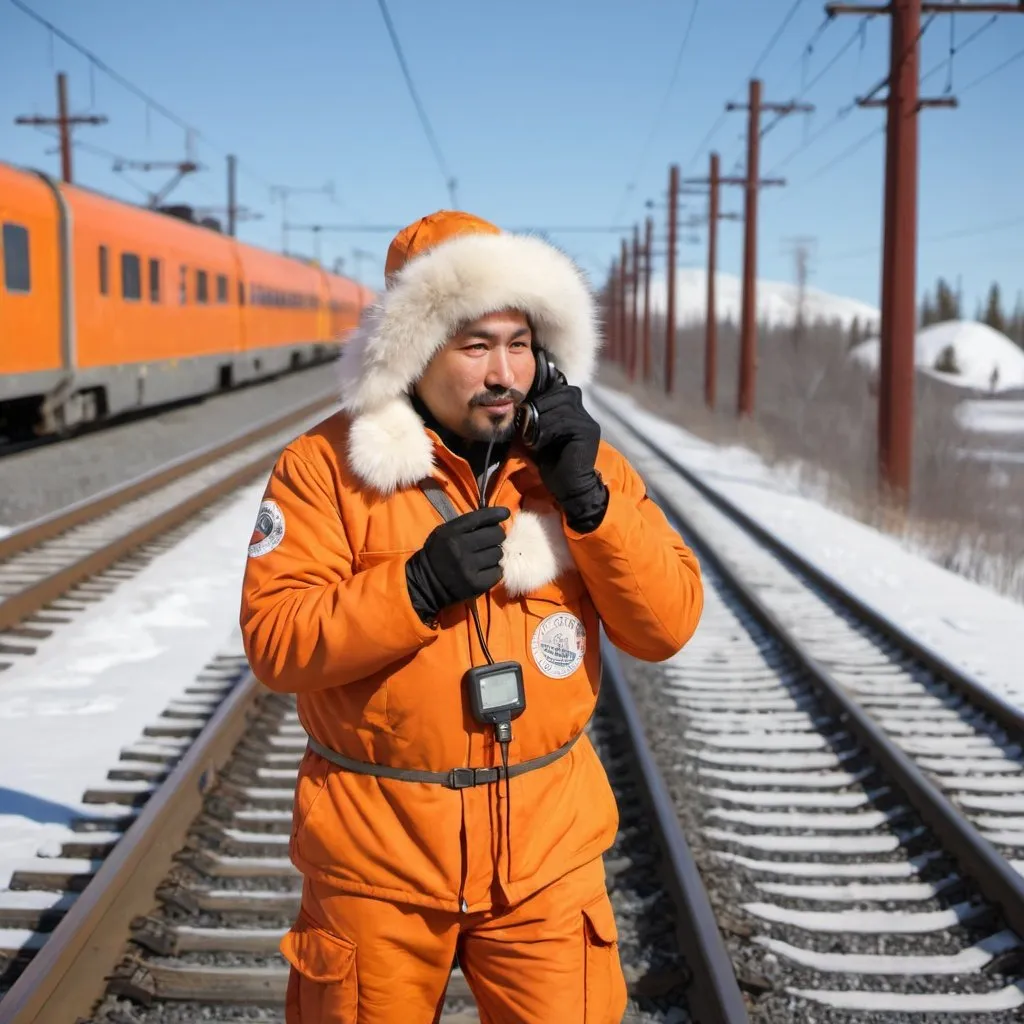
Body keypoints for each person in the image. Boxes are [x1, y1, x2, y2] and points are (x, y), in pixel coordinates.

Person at [239, 210, 704, 1024]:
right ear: (414, 350)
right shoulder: (325, 468)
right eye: (474, 344)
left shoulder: (575, 467)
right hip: (376, 864)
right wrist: (412, 589)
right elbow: (277, 642)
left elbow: (666, 626)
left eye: (519, 343)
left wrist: (591, 504)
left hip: (547, 861)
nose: (504, 372)